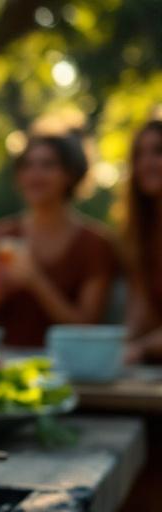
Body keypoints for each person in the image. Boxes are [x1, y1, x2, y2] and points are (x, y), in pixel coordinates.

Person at [0, 132, 117, 346]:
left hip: (68, 368)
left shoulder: (94, 243)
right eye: (27, 165)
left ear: (70, 175)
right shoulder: (1, 234)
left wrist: (36, 280)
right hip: (5, 363)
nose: (35, 174)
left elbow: (87, 328)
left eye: (48, 165)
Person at [121, 120, 162, 363]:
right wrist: (120, 345)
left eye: (159, 151)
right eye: (139, 155)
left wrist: (141, 348)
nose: (147, 163)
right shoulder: (140, 232)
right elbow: (141, 307)